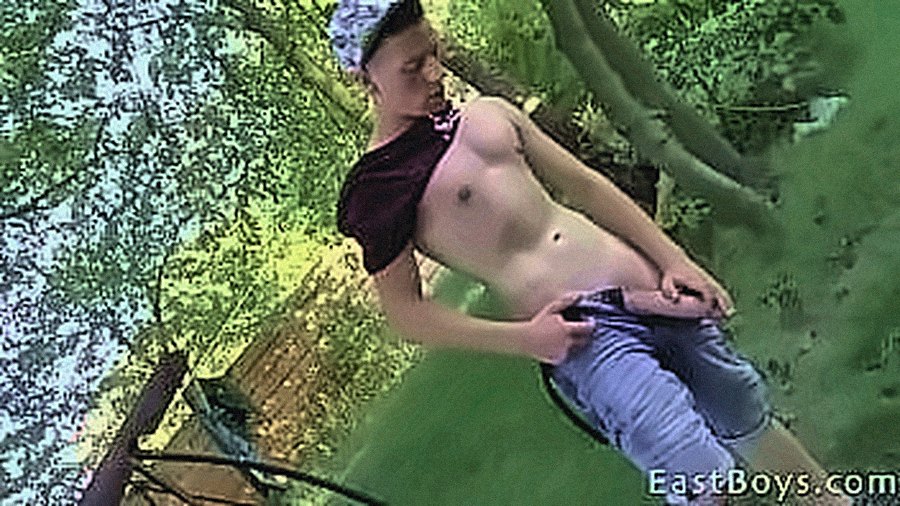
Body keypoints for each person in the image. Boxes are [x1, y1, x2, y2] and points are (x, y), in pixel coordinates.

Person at [328, 1, 851, 504]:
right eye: (412, 67)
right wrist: (527, 339)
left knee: (747, 418)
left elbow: (586, 186)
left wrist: (674, 260)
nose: (434, 73)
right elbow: (407, 314)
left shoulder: (487, 114)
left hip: (644, 284)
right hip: (584, 336)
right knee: (699, 477)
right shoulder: (378, 192)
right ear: (365, 79)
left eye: (434, 52)